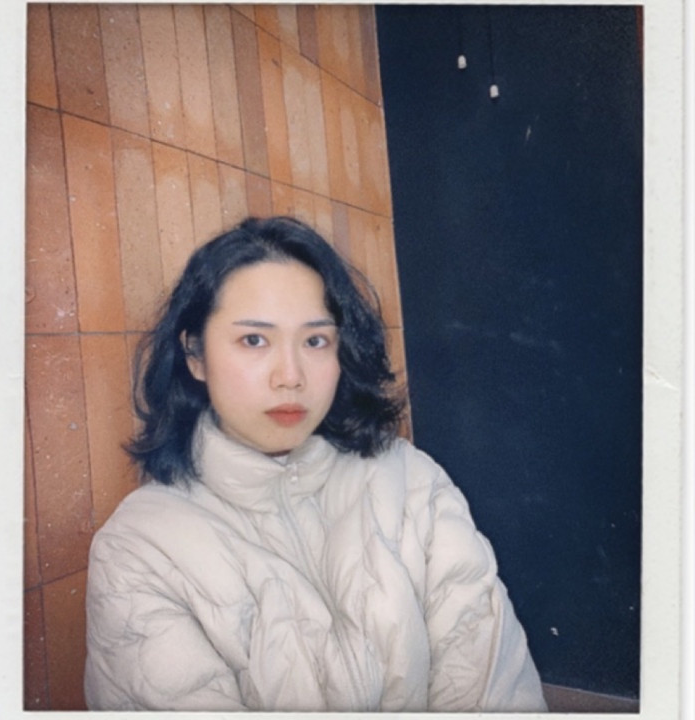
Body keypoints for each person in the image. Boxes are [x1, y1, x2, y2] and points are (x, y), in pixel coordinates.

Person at [84, 216, 547, 712]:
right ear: (195, 354)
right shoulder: (139, 548)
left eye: (315, 341)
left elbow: (493, 686)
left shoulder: (411, 481)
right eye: (254, 340)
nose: (291, 376)